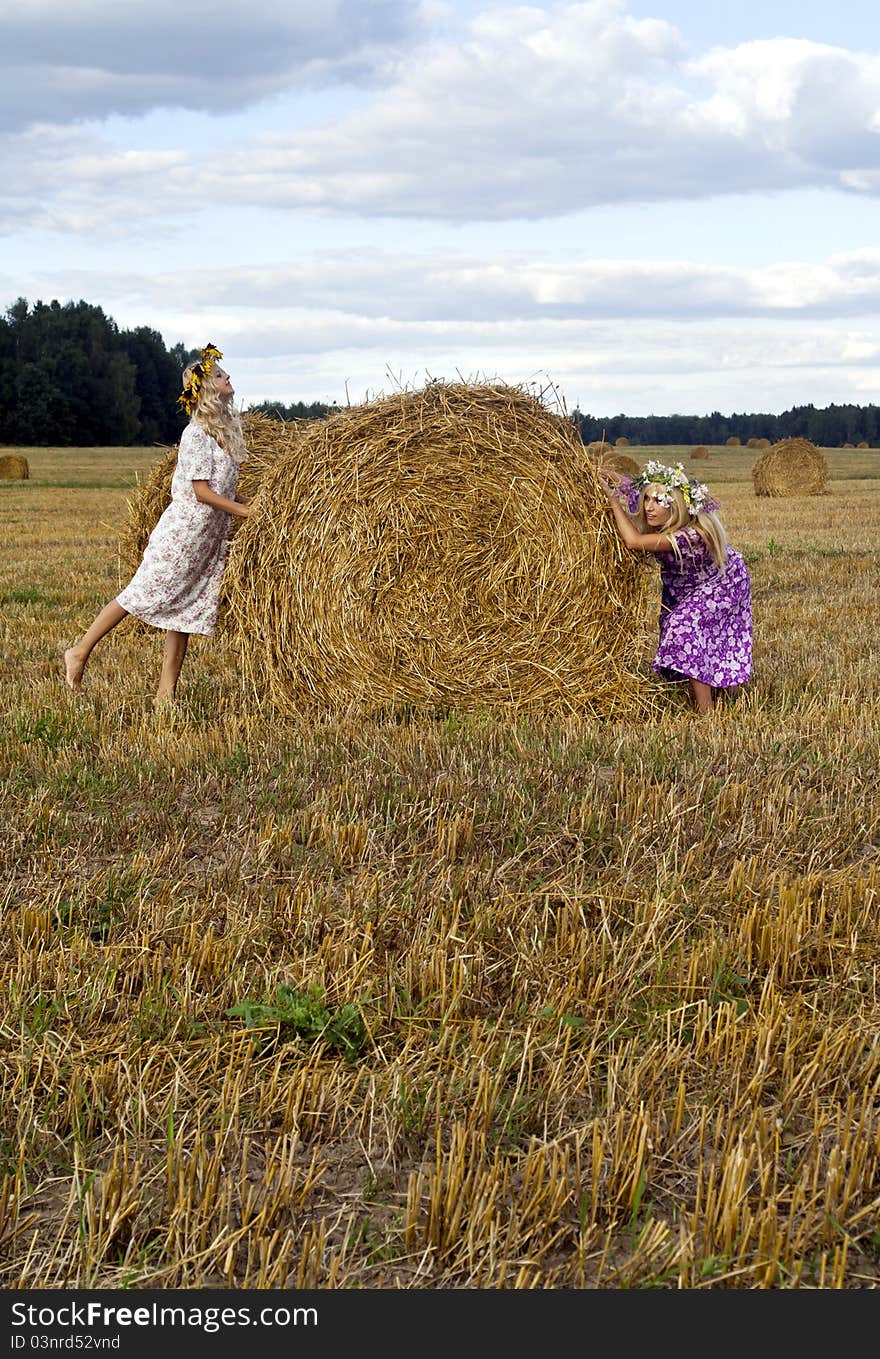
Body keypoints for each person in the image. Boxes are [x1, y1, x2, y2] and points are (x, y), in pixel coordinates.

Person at [64, 343, 252, 706]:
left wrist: (248, 502)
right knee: (140, 593)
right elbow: (201, 492)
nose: (228, 376)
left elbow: (222, 488)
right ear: (205, 389)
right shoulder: (196, 434)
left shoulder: (222, 434)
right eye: (219, 375)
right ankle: (80, 651)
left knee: (186, 612)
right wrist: (244, 513)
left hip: (207, 540)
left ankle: (165, 696)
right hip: (183, 535)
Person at [601, 460, 752, 714]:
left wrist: (612, 501)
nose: (649, 507)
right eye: (647, 499)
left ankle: (707, 711)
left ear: (677, 506)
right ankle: (723, 687)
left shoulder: (689, 535)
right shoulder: (657, 512)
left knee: (685, 627)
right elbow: (628, 486)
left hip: (723, 581)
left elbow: (633, 541)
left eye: (658, 501)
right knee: (682, 628)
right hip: (683, 584)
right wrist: (600, 473)